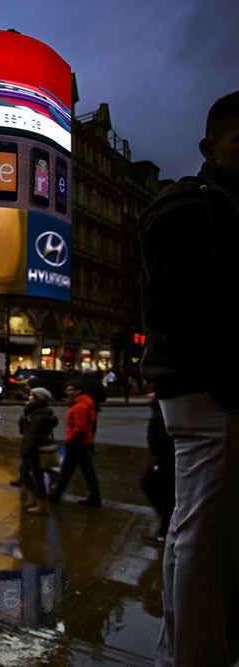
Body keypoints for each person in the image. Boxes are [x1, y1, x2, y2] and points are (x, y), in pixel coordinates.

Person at [139, 90, 239, 666]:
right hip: (208, 389)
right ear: (211, 145)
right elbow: (169, 308)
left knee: (200, 523)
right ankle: (193, 655)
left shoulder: (220, 201)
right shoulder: (193, 204)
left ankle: (189, 648)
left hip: (205, 384)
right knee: (200, 525)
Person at [48, 379, 102, 508]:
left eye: (70, 389)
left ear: (78, 391)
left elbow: (80, 427)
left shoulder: (80, 407)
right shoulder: (84, 404)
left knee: (67, 470)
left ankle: (56, 495)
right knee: (87, 471)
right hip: (84, 442)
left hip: (77, 443)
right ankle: (95, 497)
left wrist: (70, 439)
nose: (67, 392)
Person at [18, 387, 59, 516]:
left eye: (32, 396)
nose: (29, 397)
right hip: (31, 448)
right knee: (24, 471)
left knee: (37, 476)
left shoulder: (40, 415)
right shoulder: (31, 412)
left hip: (35, 449)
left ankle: (42, 505)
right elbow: (22, 429)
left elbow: (32, 434)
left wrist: (26, 450)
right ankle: (34, 498)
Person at [140, 394, 174, 545]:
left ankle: (165, 530)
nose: (149, 395)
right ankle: (166, 526)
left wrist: (158, 463)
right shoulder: (161, 412)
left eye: (152, 392)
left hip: (163, 461)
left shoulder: (162, 414)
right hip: (163, 460)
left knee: (157, 490)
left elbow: (166, 441)